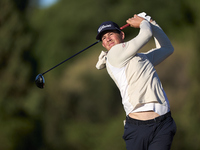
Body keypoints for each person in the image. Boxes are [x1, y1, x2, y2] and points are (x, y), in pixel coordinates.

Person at [95, 13, 176, 150]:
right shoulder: (114, 55)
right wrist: (143, 23)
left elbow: (167, 48)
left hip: (164, 123)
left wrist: (151, 22)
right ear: (103, 44)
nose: (108, 38)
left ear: (122, 35)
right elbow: (145, 35)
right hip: (138, 128)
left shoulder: (143, 58)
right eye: (104, 37)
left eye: (111, 34)